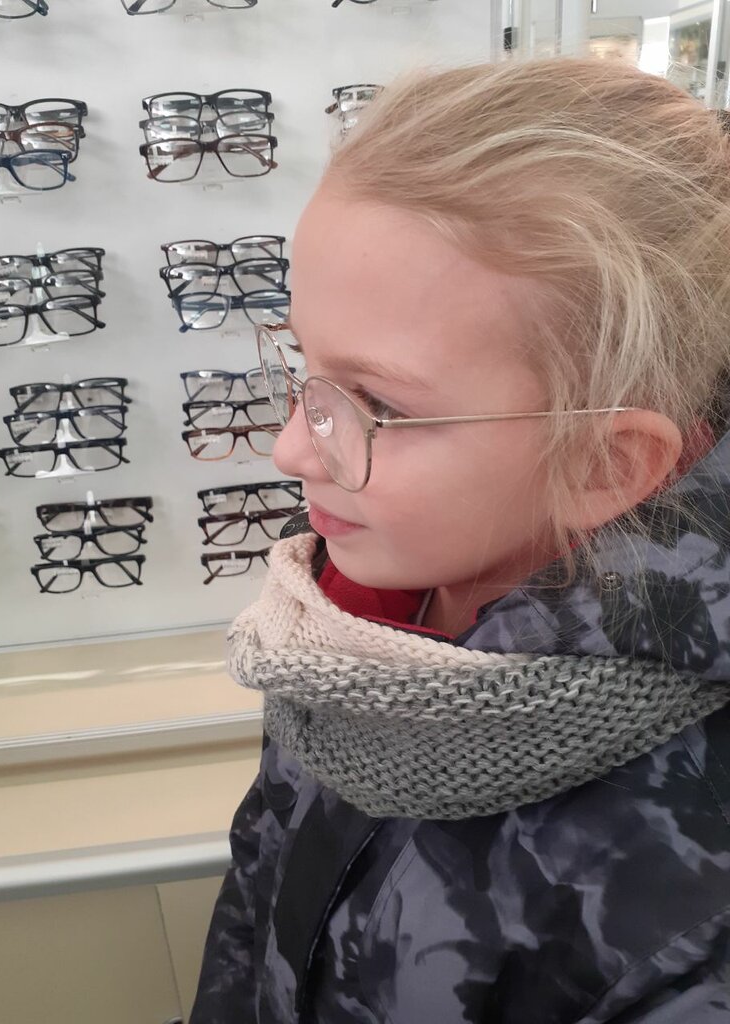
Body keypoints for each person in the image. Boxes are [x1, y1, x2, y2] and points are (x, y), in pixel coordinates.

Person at [189, 55, 730, 1023]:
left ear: (603, 464)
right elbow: (255, 903)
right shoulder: (345, 621)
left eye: (380, 405)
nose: (289, 448)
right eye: (305, 367)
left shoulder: (693, 912)